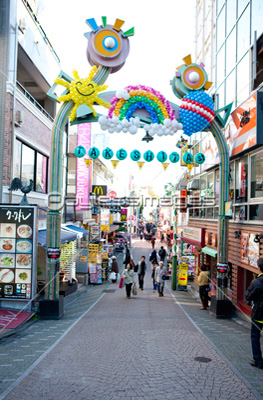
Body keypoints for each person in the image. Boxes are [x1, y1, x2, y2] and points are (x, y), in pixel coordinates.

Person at [245, 258, 263, 369]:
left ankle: (258, 360)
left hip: (259, 313)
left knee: (255, 336)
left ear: (259, 268)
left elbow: (248, 296)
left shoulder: (256, 282)